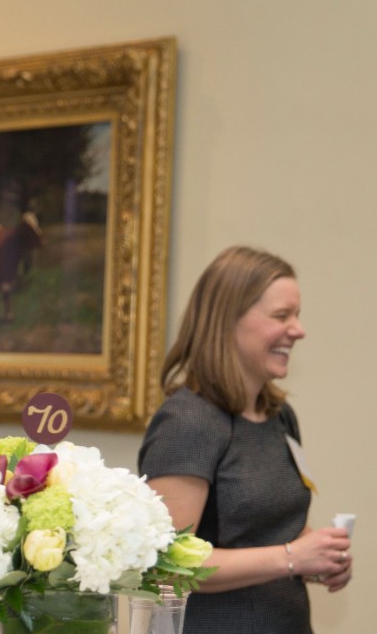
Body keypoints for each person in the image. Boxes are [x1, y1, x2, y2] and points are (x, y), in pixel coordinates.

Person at [138, 245, 352, 633]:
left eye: (298, 315)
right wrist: (291, 558)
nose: (298, 330)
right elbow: (166, 564)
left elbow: (272, 528)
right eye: (281, 316)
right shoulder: (189, 421)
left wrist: (317, 555)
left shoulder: (279, 416)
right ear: (227, 321)